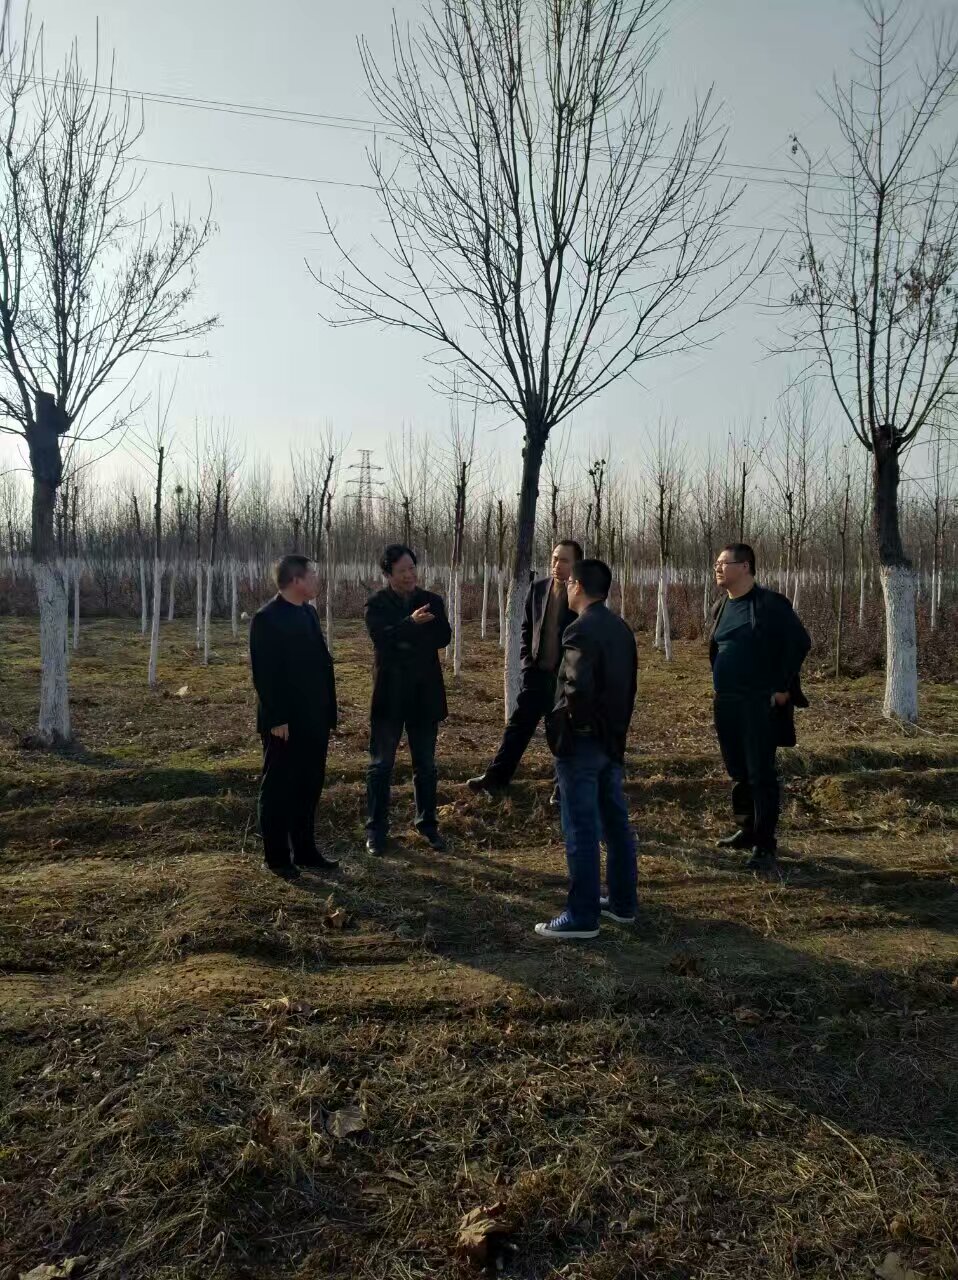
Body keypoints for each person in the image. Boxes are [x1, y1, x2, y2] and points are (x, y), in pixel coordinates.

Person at [534, 558, 639, 940]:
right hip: (612, 740)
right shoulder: (620, 628)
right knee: (615, 824)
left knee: (580, 828)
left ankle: (582, 916)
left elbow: (577, 688)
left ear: (577, 586)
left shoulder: (579, 629)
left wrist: (570, 726)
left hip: (583, 744)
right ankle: (623, 903)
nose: (565, 588)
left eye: (568, 583)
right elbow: (628, 687)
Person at [707, 543, 811, 873]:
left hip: (757, 702)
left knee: (760, 773)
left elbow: (799, 642)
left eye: (724, 563)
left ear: (745, 567)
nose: (717, 568)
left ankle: (764, 844)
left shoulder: (769, 604)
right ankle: (747, 829)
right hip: (726, 701)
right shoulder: (721, 606)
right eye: (716, 563)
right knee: (738, 769)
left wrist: (781, 687)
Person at [467, 539, 581, 796]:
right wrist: (526, 664)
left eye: (564, 560)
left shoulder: (579, 595)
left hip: (564, 679)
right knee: (517, 727)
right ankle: (496, 778)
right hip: (536, 674)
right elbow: (527, 629)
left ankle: (562, 788)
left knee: (561, 734)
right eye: (555, 558)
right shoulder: (539, 589)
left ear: (576, 564)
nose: (557, 565)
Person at [249, 554, 339, 881]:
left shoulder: (308, 613)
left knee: (309, 784)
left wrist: (328, 710)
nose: (317, 580)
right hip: (284, 721)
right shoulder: (266, 618)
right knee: (279, 787)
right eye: (312, 574)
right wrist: (276, 718)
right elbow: (265, 674)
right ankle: (276, 857)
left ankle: (305, 850)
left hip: (314, 715)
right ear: (296, 580)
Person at [364, 544, 452, 855]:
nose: (409, 575)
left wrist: (407, 634)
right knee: (381, 766)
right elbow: (382, 640)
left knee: (425, 765)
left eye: (412, 568)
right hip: (389, 696)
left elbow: (443, 637)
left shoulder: (432, 601)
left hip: (424, 695)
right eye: (402, 571)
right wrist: (411, 625)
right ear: (388, 574)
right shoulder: (376, 604)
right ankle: (376, 829)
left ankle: (427, 825)